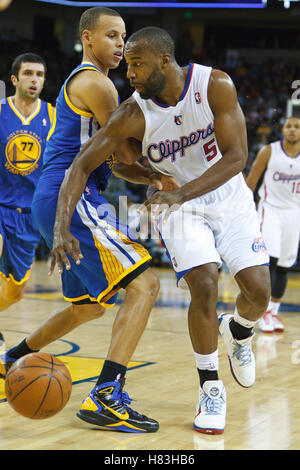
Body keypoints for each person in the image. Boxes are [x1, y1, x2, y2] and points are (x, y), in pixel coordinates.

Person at [38, 26, 271, 435]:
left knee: (259, 292)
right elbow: (81, 165)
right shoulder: (132, 113)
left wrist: (181, 194)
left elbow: (236, 158)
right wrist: (60, 228)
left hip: (227, 196)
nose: (129, 73)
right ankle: (210, 388)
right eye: (127, 64)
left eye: (137, 64)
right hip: (177, 206)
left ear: (164, 60)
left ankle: (238, 331)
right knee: (203, 284)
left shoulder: (214, 84)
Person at [1, 8, 178, 434]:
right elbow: (131, 152)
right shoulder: (96, 83)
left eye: (123, 37)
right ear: (87, 38)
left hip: (58, 196)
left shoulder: (88, 83)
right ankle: (107, 394)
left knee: (88, 307)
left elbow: (116, 162)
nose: (121, 44)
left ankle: (12, 358)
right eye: (112, 36)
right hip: (72, 196)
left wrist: (153, 176)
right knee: (146, 286)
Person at [0, 53, 53, 350]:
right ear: (15, 79)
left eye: (40, 75)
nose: (34, 80)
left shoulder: (55, 117)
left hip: (30, 216)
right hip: (0, 205)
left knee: (15, 292)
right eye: (29, 74)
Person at [246, 116, 300, 333]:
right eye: (289, 126)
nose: (293, 130)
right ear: (283, 130)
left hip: (294, 213)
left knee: (285, 266)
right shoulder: (269, 151)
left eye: (297, 127)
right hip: (270, 210)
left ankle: (273, 312)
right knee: (271, 262)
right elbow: (251, 181)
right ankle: (263, 311)